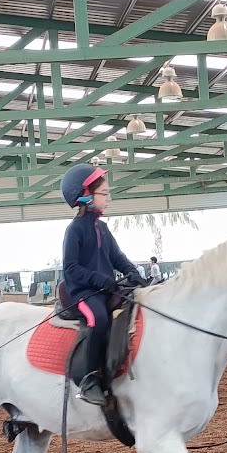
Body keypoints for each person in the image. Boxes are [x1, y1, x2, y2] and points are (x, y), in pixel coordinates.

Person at [60, 163, 149, 404]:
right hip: (83, 292)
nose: (108, 198)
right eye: (104, 193)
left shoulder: (103, 228)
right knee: (98, 319)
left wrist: (134, 273)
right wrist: (100, 279)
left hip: (105, 288)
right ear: (86, 195)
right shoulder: (75, 229)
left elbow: (117, 257)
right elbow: (71, 268)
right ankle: (89, 380)